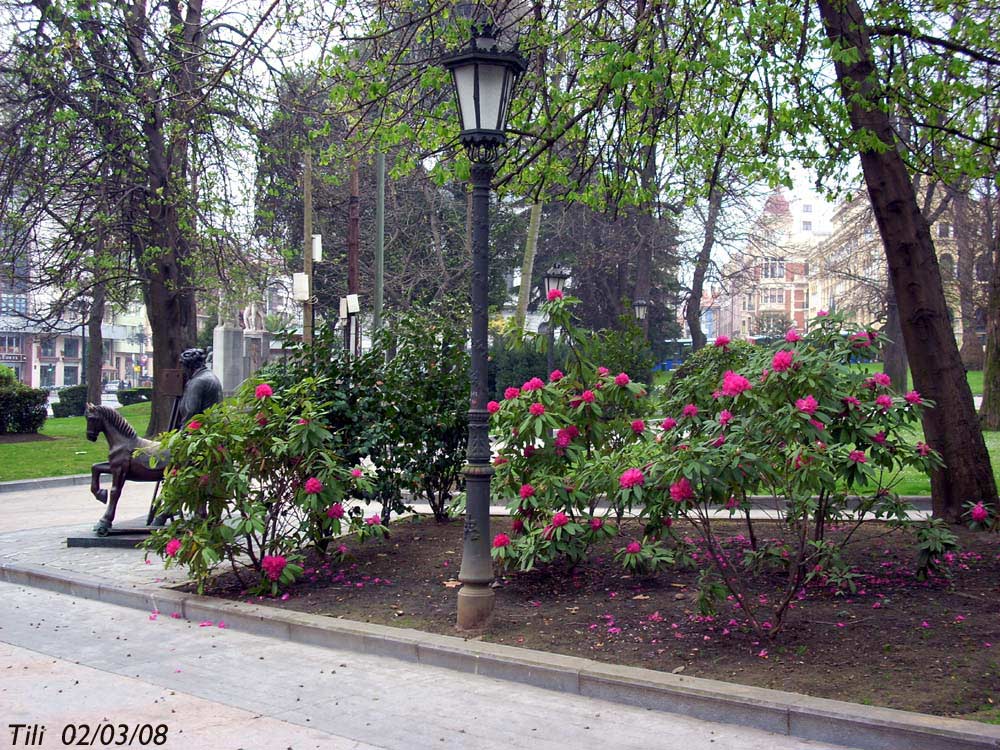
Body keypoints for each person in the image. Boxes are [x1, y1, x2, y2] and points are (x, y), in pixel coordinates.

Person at [174, 348, 223, 428]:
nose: (183, 371)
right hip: (213, 426)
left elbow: (191, 411)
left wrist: (183, 432)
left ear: (190, 366)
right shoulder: (210, 376)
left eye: (184, 366)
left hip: (200, 430)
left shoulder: (197, 382)